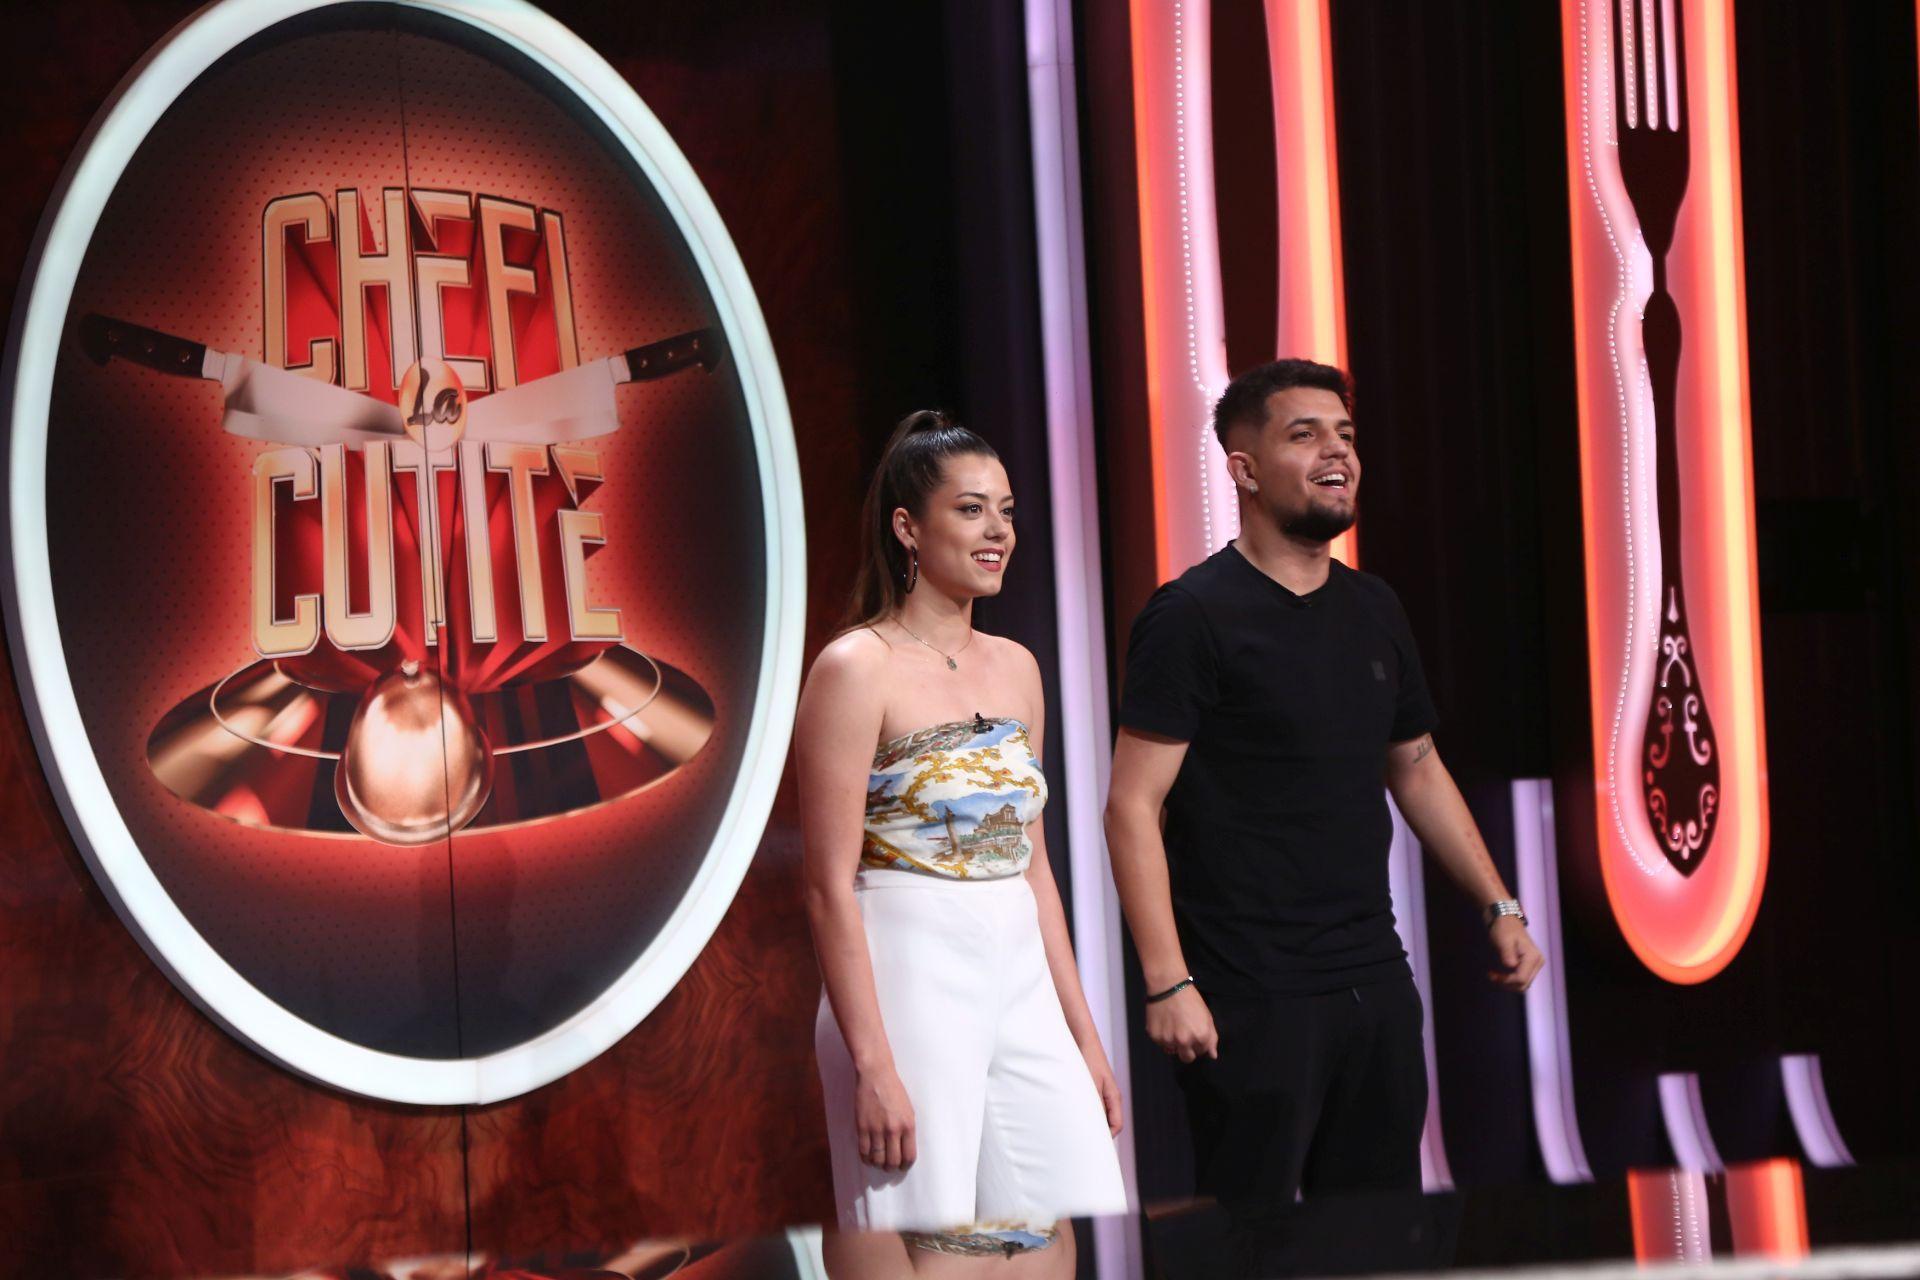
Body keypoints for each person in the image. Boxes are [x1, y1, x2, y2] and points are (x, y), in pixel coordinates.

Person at [1104, 361, 1544, 1251]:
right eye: (1303, 435)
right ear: (1243, 468)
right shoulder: (1192, 616)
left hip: (1374, 979)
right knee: (1252, 1247)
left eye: (1344, 435)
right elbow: (1131, 807)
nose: (1336, 452)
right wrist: (1168, 982)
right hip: (1248, 994)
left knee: (1380, 1240)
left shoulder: (1374, 606)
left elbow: (1415, 764)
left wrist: (1498, 903)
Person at [801, 411, 1129, 1276]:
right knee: (918, 1225)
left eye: (1007, 512)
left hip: (1017, 973)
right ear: (908, 528)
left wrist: (1085, 1039)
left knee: (1041, 1231)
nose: (997, 533)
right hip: (907, 975)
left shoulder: (1018, 666)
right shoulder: (856, 666)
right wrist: (872, 1062)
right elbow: (827, 885)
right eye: (972, 510)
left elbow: (1036, 868)